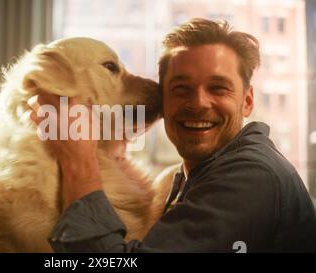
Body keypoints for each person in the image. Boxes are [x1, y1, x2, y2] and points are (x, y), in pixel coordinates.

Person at [27, 18, 316, 252]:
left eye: (218, 88)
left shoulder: (252, 177)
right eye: (181, 89)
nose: (199, 103)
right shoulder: (192, 176)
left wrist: (80, 164)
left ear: (248, 101)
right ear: (162, 101)